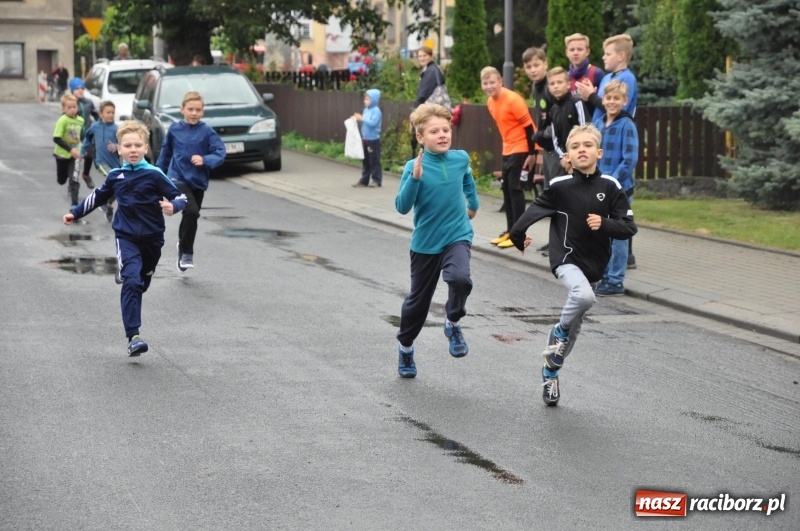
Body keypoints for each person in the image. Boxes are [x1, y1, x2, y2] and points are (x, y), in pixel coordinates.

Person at [509, 124, 637, 406]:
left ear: (599, 152)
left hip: (595, 266)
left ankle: (550, 372)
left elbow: (629, 228)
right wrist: (518, 238)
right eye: (575, 146)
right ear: (567, 155)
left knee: (575, 328)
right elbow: (531, 214)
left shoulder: (611, 187)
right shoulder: (559, 187)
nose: (582, 150)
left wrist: (604, 223)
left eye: (587, 145)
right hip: (565, 259)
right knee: (583, 297)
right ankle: (558, 332)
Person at [63, 121, 187, 357]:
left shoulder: (154, 174)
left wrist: (174, 205)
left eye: (137, 145)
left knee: (142, 282)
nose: (132, 149)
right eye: (127, 145)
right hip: (126, 235)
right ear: (118, 149)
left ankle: (134, 275)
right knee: (132, 281)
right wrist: (75, 212)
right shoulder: (115, 175)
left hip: (153, 238)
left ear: (145, 148)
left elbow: (180, 196)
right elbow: (99, 196)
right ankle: (134, 337)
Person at [395, 103, 480, 378]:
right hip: (425, 244)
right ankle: (406, 348)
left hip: (457, 234)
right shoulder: (413, 166)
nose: (443, 135)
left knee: (460, 279)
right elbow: (401, 206)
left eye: (446, 129)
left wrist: (474, 205)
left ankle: (452, 321)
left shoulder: (460, 159)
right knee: (417, 304)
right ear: (420, 137)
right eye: (434, 131)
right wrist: (415, 179)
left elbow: (467, 179)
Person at [576, 33, 640, 268]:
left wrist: (591, 96)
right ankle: (605, 265)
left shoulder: (627, 79)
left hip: (616, 163)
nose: (603, 57)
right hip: (602, 144)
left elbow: (612, 105)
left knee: (618, 220)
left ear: (621, 55)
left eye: (608, 53)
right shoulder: (609, 77)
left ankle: (620, 266)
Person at [156, 91, 226, 272]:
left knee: (191, 215)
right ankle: (187, 252)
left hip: (198, 182)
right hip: (177, 178)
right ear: (182, 110)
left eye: (198, 110)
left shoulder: (207, 132)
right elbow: (165, 154)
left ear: (202, 112)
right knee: (192, 211)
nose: (194, 113)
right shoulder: (174, 129)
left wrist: (205, 160)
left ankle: (182, 245)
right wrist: (157, 177)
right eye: (190, 109)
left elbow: (220, 152)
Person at [481, 66, 537, 250]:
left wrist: (532, 154)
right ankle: (510, 231)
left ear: (500, 82)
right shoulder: (490, 102)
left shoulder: (513, 100)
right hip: (508, 149)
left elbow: (529, 128)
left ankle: (517, 235)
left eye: (492, 82)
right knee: (506, 189)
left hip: (522, 148)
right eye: (485, 83)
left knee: (515, 189)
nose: (489, 86)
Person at [592, 81, 639, 296]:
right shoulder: (599, 124)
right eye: (608, 98)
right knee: (602, 232)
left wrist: (613, 182)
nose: (612, 102)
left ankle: (616, 280)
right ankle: (604, 273)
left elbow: (629, 160)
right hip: (600, 187)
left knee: (618, 235)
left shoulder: (627, 125)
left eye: (616, 98)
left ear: (624, 101)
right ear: (603, 100)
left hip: (619, 189)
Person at [535, 67, 588, 180]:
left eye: (559, 82)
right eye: (552, 83)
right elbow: (556, 140)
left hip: (580, 156)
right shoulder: (553, 110)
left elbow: (585, 130)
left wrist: (574, 158)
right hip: (565, 159)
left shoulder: (576, 102)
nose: (556, 86)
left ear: (568, 84)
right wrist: (565, 157)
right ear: (549, 88)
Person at [81, 101, 120, 222]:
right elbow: (88, 137)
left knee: (119, 184)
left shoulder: (116, 129)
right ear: (101, 113)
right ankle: (103, 200)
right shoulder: (95, 127)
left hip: (115, 163)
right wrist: (83, 150)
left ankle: (108, 204)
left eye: (113, 112)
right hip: (101, 162)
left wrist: (116, 146)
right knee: (115, 179)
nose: (111, 115)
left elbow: (124, 145)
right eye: (108, 112)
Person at [411, 46, 446, 155]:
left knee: (427, 138)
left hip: (429, 110)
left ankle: (426, 165)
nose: (422, 58)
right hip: (434, 110)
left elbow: (423, 93)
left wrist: (415, 109)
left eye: (425, 55)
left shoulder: (431, 70)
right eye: (420, 56)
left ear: (431, 56)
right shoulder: (433, 69)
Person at [52, 93, 85, 208]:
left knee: (74, 179)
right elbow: (56, 138)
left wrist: (83, 149)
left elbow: (82, 135)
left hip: (75, 155)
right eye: (69, 107)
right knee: (61, 180)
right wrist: (70, 149)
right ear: (63, 108)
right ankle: (67, 178)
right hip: (62, 154)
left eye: (74, 107)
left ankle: (74, 204)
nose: (72, 109)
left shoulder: (80, 120)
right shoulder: (62, 120)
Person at [69, 77, 99, 189]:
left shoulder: (88, 103)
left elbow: (96, 114)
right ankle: (72, 183)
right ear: (72, 91)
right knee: (75, 161)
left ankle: (86, 175)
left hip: (87, 136)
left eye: (82, 88)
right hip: (74, 137)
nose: (80, 91)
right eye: (77, 89)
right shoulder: (70, 104)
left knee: (89, 156)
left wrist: (100, 122)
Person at [564, 33, 604, 116]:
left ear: (587, 51)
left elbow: (607, 104)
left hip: (593, 125)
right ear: (566, 52)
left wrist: (591, 97)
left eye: (580, 49)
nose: (575, 53)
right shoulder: (565, 77)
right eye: (572, 50)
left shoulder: (597, 73)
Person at [351, 88, 383, 188]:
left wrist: (362, 119)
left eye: (368, 99)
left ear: (374, 100)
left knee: (374, 160)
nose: (365, 101)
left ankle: (376, 180)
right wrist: (357, 119)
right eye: (365, 99)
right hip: (365, 139)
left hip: (373, 140)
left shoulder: (376, 111)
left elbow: (373, 123)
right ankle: (364, 180)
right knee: (365, 160)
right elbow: (364, 122)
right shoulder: (366, 110)